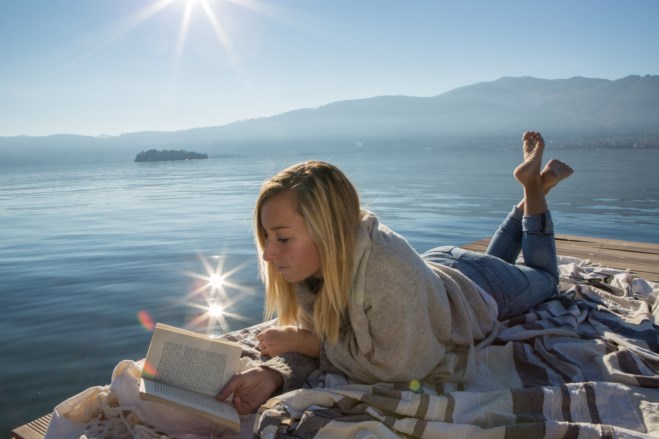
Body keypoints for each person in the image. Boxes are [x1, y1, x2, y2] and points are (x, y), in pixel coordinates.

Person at [217, 131, 574, 415]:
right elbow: (322, 338)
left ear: (326, 228)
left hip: (479, 288)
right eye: (265, 236)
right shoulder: (309, 266)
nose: (267, 253)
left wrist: (307, 343)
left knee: (545, 277)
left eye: (281, 237)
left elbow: (400, 367)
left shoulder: (384, 269)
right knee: (500, 264)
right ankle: (534, 190)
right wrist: (271, 374)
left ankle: (532, 189)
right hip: (440, 269)